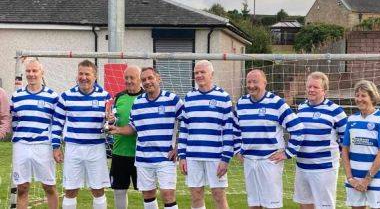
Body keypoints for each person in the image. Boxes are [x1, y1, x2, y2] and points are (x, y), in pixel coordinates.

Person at [110, 66, 183, 209]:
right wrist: (116, 129)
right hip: (143, 158)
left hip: (165, 157)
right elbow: (132, 127)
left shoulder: (172, 100)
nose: (147, 82)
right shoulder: (138, 102)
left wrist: (179, 147)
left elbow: (186, 123)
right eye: (144, 80)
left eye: (150, 78)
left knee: (168, 195)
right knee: (148, 195)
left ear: (158, 79)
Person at [235, 69, 304, 209]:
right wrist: (237, 149)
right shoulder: (241, 103)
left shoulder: (276, 103)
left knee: (271, 205)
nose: (251, 85)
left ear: (265, 83)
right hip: (249, 161)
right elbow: (234, 129)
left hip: (270, 160)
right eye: (249, 82)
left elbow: (298, 128)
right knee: (254, 204)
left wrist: (288, 153)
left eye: (255, 81)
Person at [52, 60, 110, 209]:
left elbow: (111, 123)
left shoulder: (105, 96)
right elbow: (57, 123)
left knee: (98, 190)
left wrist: (112, 120)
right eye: (81, 74)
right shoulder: (66, 96)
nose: (83, 77)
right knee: (70, 190)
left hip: (96, 148)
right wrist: (56, 147)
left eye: (87, 74)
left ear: (95, 76)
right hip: (73, 148)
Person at [178, 60, 234, 209]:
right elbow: (184, 129)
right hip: (192, 156)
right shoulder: (189, 97)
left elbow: (229, 130)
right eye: (196, 72)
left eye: (202, 72)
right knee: (196, 196)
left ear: (212, 74)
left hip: (215, 157)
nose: (199, 75)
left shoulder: (223, 97)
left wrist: (226, 158)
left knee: (218, 196)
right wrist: (182, 156)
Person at [294, 71, 347, 209]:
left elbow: (345, 140)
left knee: (324, 206)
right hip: (302, 166)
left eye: (315, 87)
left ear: (324, 90)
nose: (311, 90)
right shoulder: (301, 108)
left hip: (324, 168)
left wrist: (338, 156)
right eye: (309, 86)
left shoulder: (336, 111)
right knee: (305, 204)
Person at [10, 59, 59, 209]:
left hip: (43, 146)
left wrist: (56, 145)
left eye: (35, 71)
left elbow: (57, 123)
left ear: (42, 73)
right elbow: (14, 122)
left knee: (49, 187)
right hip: (21, 146)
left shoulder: (53, 96)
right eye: (28, 71)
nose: (31, 74)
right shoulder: (16, 96)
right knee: (22, 188)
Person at [342, 80, 380, 209]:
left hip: (376, 179)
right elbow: (345, 149)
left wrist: (367, 180)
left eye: (363, 95)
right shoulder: (351, 119)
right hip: (354, 180)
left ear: (372, 97)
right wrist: (350, 178)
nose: (359, 99)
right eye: (357, 95)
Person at [108, 66, 143, 209]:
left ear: (140, 79)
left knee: (147, 192)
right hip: (120, 151)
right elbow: (114, 120)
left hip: (141, 153)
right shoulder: (118, 97)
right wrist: (111, 120)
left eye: (132, 78)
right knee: (119, 190)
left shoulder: (146, 97)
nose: (128, 81)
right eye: (126, 78)